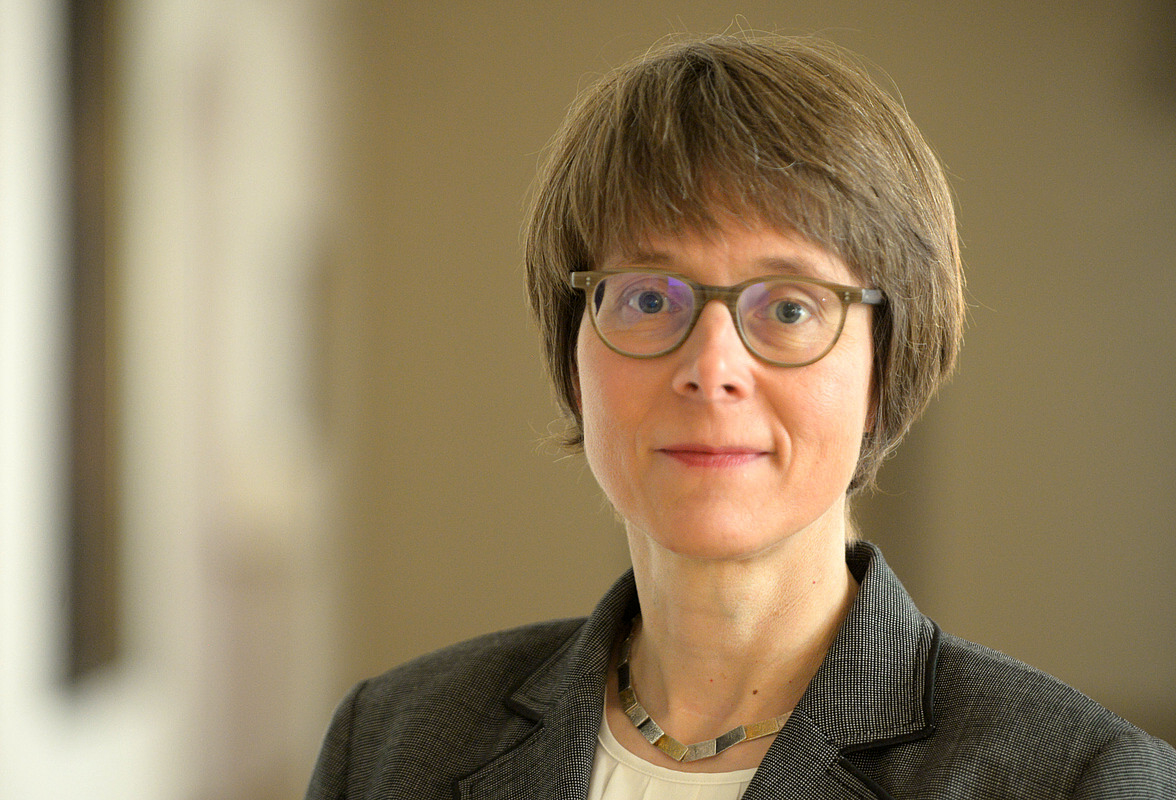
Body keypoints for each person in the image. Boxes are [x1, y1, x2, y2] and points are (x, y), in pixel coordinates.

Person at [305, 33, 1176, 799]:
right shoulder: (388, 743)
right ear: (574, 357)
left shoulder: (1080, 781)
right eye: (649, 298)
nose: (711, 369)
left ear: (887, 366)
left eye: (790, 307)